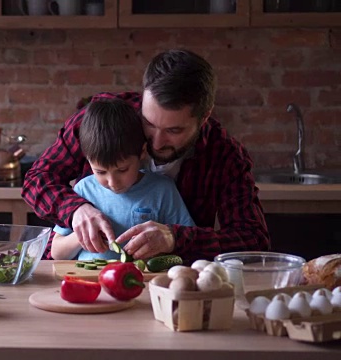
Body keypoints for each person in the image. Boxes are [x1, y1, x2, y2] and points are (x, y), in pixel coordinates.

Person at [22, 49, 270, 264]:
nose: (156, 141)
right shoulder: (101, 122)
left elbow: (253, 241)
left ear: (204, 118)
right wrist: (76, 210)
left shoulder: (225, 156)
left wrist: (176, 238)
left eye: (174, 130)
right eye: (149, 123)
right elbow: (37, 179)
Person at [51, 99, 195, 261]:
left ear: (142, 153)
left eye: (122, 170)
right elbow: (56, 252)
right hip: (89, 281)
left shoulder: (163, 190)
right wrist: (82, 235)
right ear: (88, 160)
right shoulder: (83, 190)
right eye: (100, 171)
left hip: (144, 282)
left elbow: (188, 244)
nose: (112, 182)